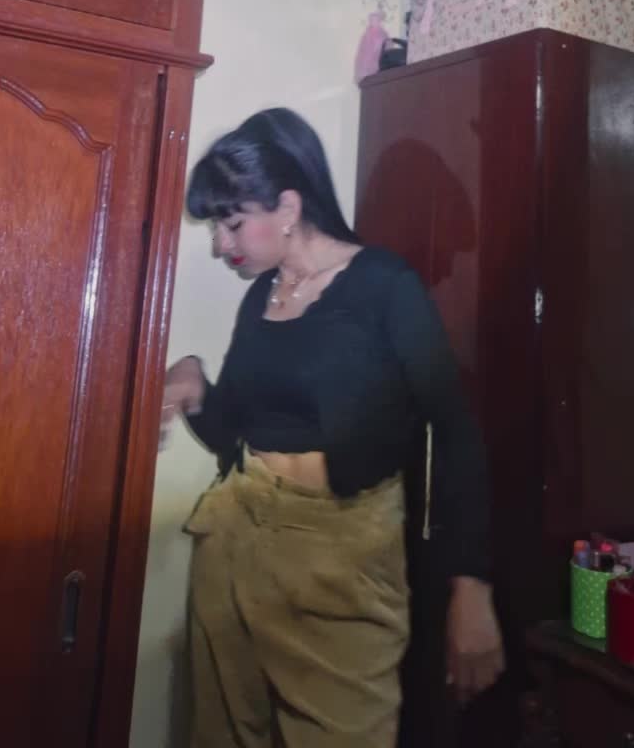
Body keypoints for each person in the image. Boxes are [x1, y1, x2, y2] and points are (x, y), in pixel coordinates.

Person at [162, 107, 504, 748]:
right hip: (235, 538)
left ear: (288, 206)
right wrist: (196, 387)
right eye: (216, 228)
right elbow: (238, 433)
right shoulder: (260, 296)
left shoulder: (385, 287)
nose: (221, 245)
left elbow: (456, 435)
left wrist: (472, 585)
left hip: (341, 558)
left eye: (231, 223)